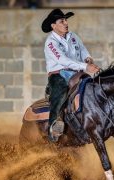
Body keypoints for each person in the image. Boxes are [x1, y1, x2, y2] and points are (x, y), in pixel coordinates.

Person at [41, 8, 100, 142]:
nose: (66, 23)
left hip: (77, 73)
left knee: (97, 88)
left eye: (66, 20)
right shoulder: (50, 42)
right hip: (58, 75)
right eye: (62, 21)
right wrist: (85, 67)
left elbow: (82, 49)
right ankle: (53, 127)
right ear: (53, 26)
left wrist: (87, 58)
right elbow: (63, 60)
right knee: (60, 92)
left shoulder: (73, 36)